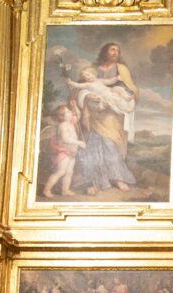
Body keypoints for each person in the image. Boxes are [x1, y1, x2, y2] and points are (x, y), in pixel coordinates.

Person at [72, 42, 138, 194]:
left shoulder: (121, 69)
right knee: (93, 144)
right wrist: (87, 96)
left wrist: (121, 95)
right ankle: (93, 181)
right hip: (93, 113)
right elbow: (78, 89)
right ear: (105, 51)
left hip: (112, 114)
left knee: (111, 144)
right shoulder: (92, 70)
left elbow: (132, 89)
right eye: (112, 49)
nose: (115, 52)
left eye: (117, 50)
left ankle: (117, 177)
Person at [41, 106, 86, 198]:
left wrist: (74, 106)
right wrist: (79, 142)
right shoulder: (63, 125)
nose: (71, 113)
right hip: (64, 151)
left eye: (70, 111)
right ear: (62, 116)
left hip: (72, 152)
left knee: (69, 172)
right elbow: (65, 139)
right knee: (61, 171)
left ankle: (65, 190)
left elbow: (78, 114)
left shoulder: (70, 123)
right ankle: (46, 189)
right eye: (68, 112)